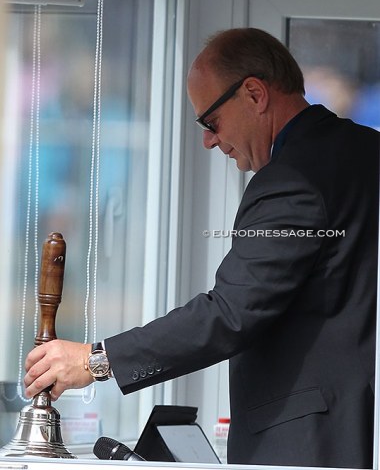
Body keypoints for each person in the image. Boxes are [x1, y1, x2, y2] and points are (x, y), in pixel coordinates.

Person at [24, 28, 380, 468]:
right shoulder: (368, 151)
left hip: (306, 448)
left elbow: (231, 313)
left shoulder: (292, 181)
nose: (209, 141)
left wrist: (98, 361)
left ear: (254, 94)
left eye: (210, 122)